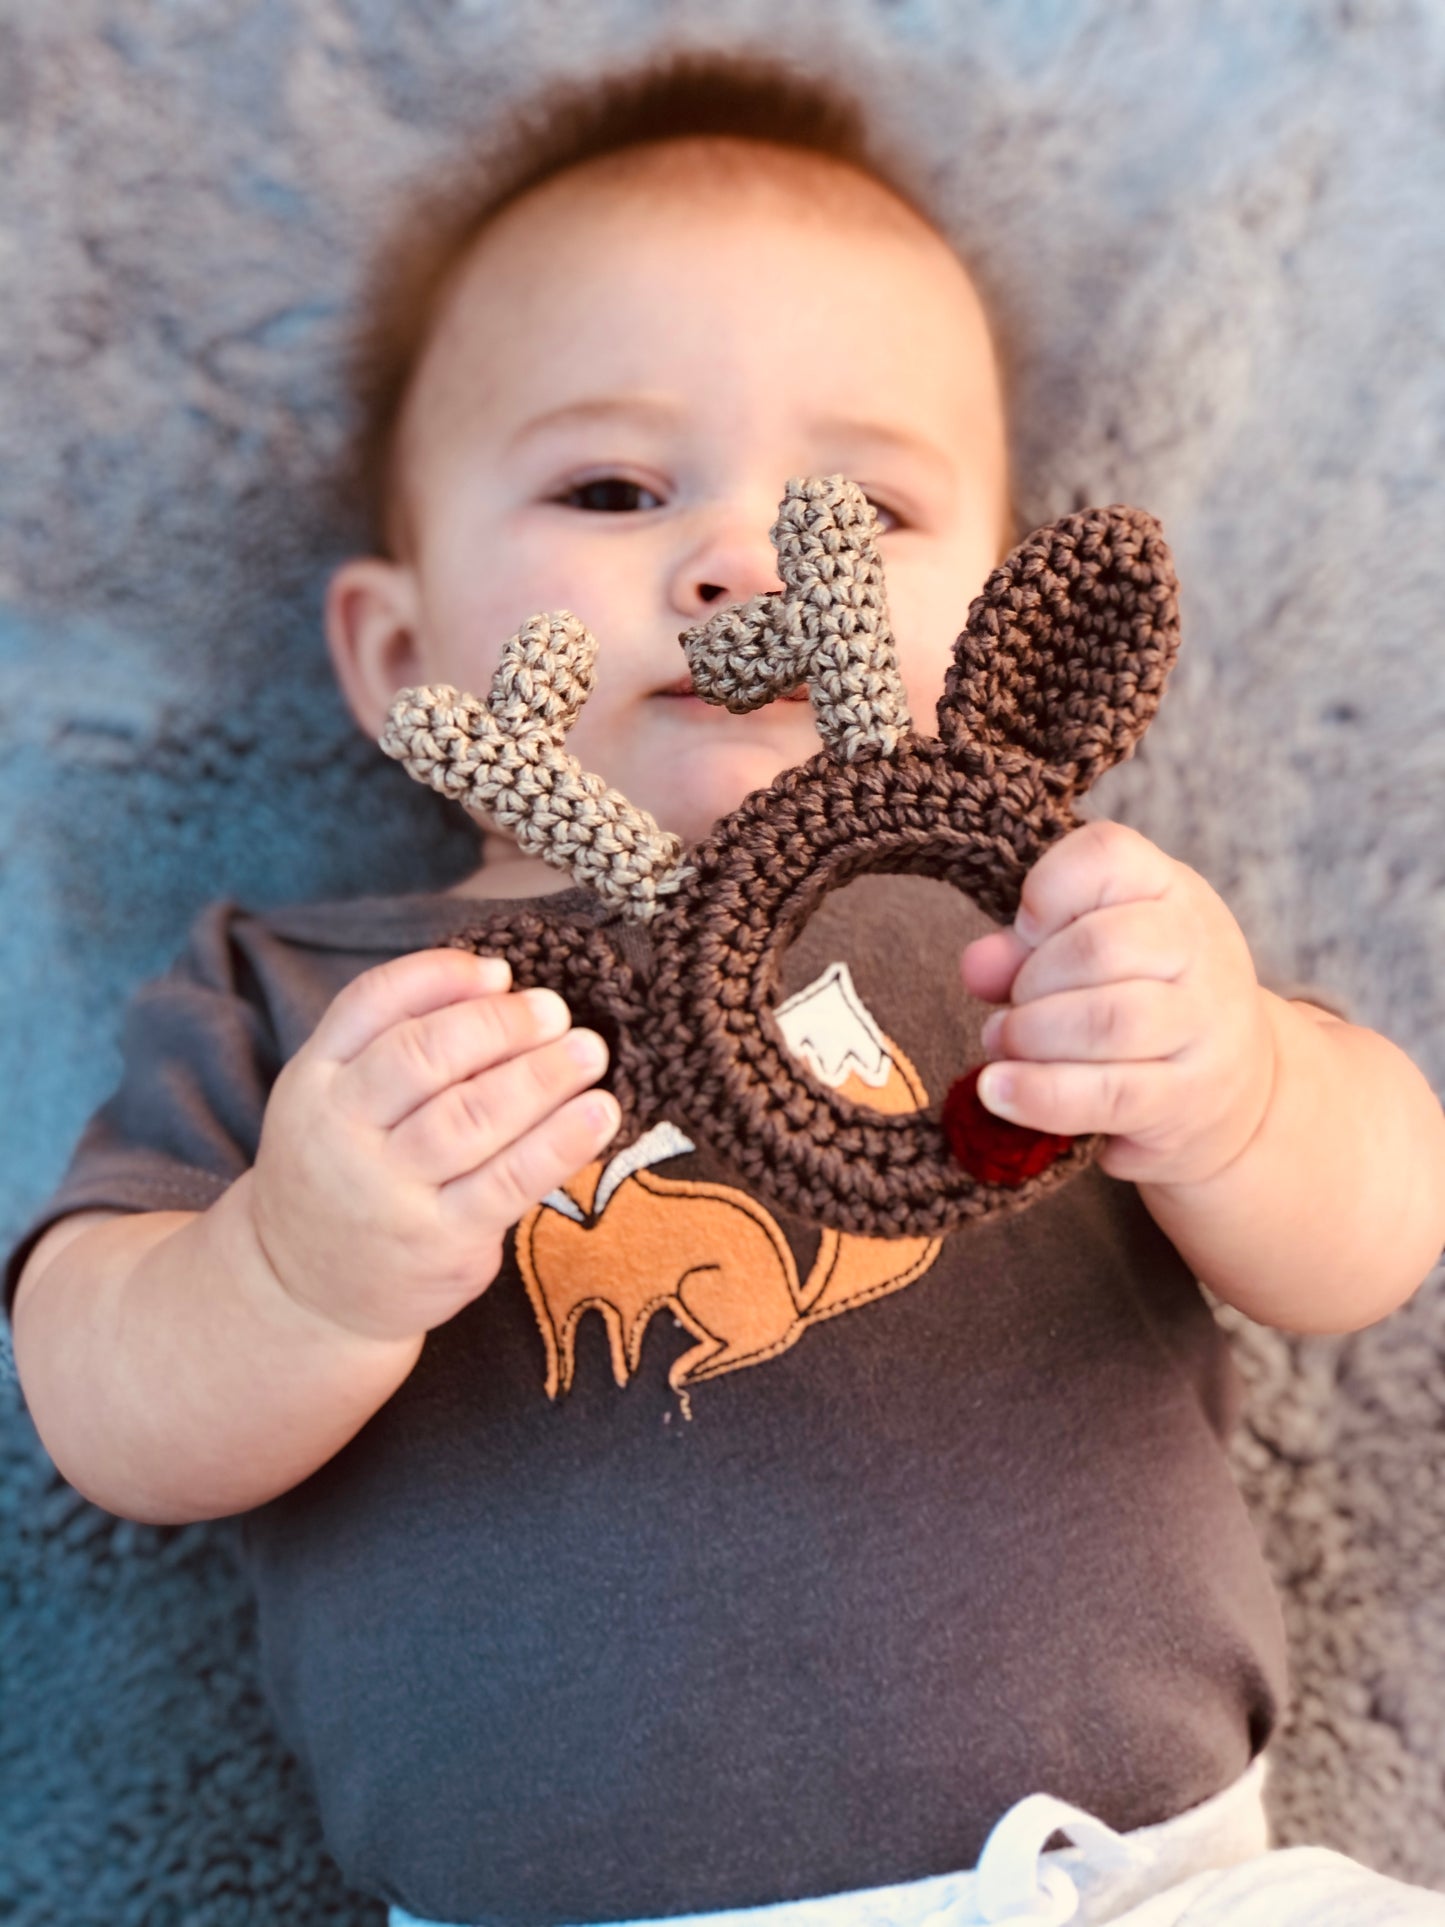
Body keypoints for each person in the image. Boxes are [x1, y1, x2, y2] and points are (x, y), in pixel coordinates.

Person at [7, 51, 1445, 1927]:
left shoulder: (1035, 921)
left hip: (1136, 1882)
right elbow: (97, 1400)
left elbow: (1372, 1234)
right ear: (399, 649)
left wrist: (1241, 1089)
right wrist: (290, 1264)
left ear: (995, 621)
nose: (743, 561)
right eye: (611, 485)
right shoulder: (316, 1006)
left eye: (860, 507)